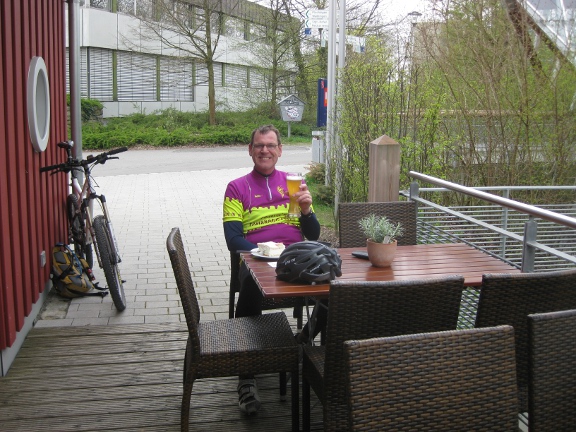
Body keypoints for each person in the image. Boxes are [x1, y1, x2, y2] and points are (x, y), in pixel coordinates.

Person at [222, 124, 321, 415]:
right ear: (250, 150)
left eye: (270, 145)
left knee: (333, 280)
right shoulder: (236, 187)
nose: (264, 150)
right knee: (251, 283)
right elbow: (233, 239)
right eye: (259, 145)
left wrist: (307, 211)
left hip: (294, 258)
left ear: (279, 150)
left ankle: (303, 339)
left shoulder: (294, 183)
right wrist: (264, 253)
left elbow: (313, 234)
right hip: (256, 259)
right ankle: (246, 375)